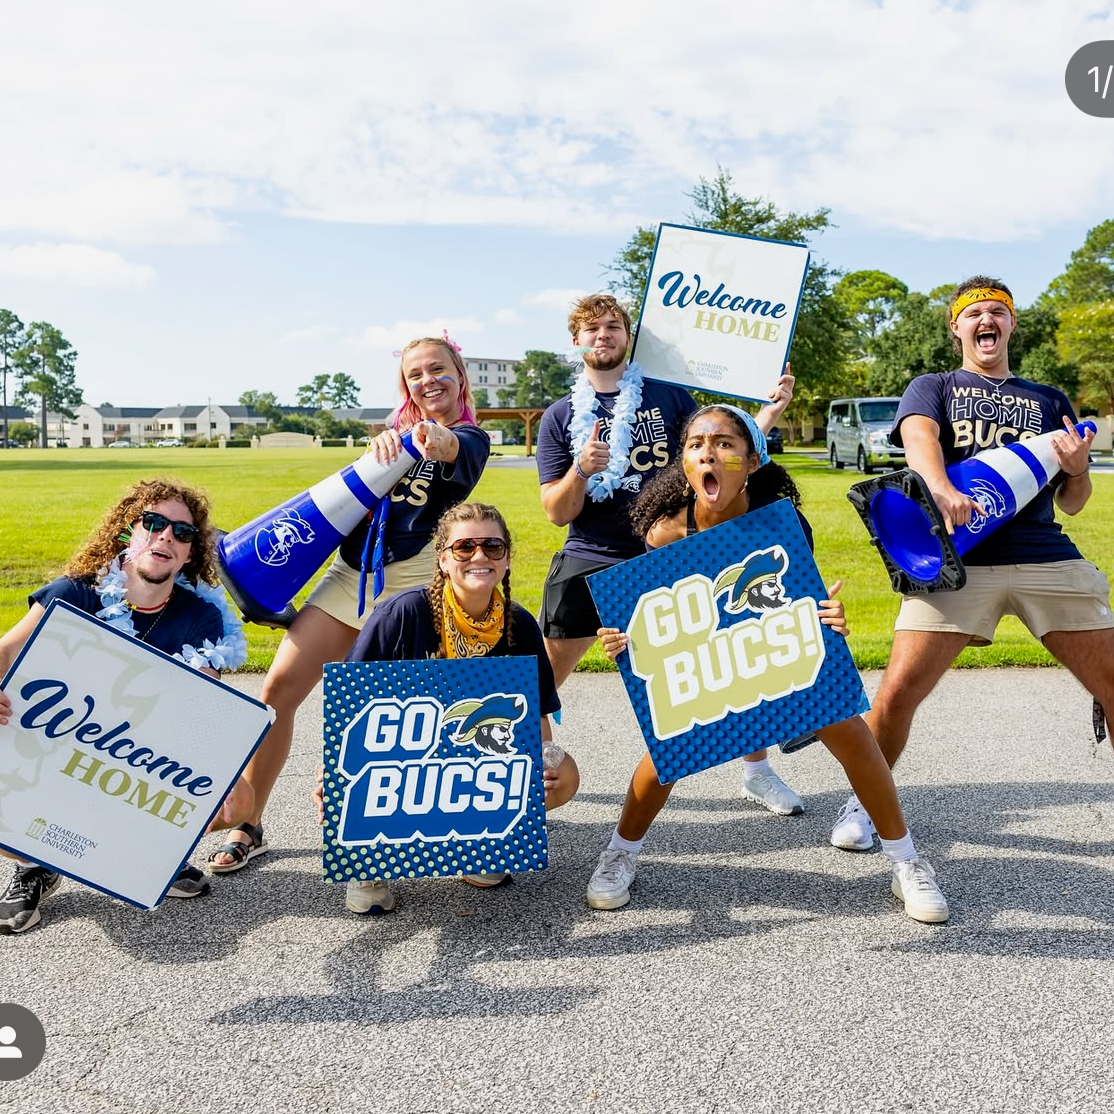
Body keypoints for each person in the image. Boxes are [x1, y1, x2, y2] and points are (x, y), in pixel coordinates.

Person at [591, 405, 950, 923]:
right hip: (706, 656)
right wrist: (623, 638)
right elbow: (656, 617)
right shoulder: (666, 531)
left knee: (852, 735)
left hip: (773, 644)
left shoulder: (782, 522)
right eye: (696, 445)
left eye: (725, 443)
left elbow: (800, 596)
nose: (708, 452)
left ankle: (907, 863)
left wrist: (827, 612)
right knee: (665, 751)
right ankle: (619, 854)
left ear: (753, 461)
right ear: (685, 463)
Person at [828, 276, 1114, 853]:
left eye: (998, 313)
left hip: (1044, 556)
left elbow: (1073, 502)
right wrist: (937, 488)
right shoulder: (933, 386)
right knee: (899, 692)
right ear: (956, 327)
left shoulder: (1049, 400)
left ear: (1011, 324)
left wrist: (1079, 467)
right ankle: (865, 803)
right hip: (953, 560)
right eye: (974, 313)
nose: (987, 321)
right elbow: (919, 437)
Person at [210, 335, 491, 872]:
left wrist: (428, 435)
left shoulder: (470, 437)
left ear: (459, 374)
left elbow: (455, 449)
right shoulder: (390, 436)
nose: (428, 380)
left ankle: (449, 829)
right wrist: (384, 449)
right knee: (277, 691)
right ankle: (249, 823)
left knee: (413, 707)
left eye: (438, 369)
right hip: (352, 573)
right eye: (415, 374)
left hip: (418, 579)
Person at [536, 293, 804, 815]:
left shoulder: (669, 397)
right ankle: (524, 771)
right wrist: (581, 470)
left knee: (730, 658)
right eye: (591, 329)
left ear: (627, 336)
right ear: (576, 341)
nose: (603, 336)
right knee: (540, 677)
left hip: (673, 546)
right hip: (591, 551)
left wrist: (768, 412)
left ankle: (757, 771)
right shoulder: (559, 416)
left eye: (613, 326)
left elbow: (722, 451)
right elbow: (555, 511)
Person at [0, 478, 253, 934]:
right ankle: (37, 863)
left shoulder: (202, 616)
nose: (166, 536)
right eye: (153, 522)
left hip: (133, 757)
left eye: (182, 532)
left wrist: (222, 774)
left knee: (236, 802)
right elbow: (4, 652)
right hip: (57, 741)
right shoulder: (76, 593)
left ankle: (146, 855)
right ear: (125, 532)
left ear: (191, 552)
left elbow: (203, 714)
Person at [312, 502, 580, 914]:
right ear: (442, 558)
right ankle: (370, 864)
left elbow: (536, 716)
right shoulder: (401, 614)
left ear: (507, 558)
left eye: (492, 546)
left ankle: (480, 845)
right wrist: (331, 777)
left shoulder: (520, 625)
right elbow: (350, 707)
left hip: (474, 761)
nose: (479, 557)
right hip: (399, 754)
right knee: (341, 787)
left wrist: (537, 768)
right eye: (464, 547)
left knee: (562, 774)